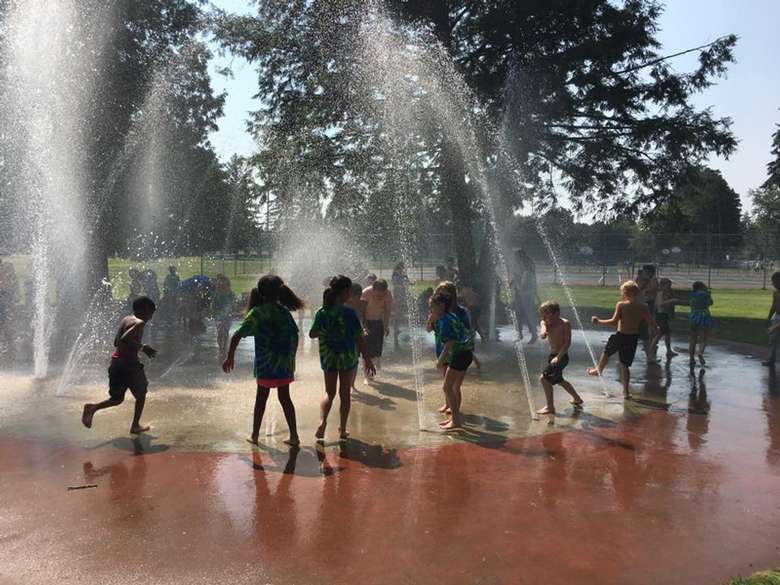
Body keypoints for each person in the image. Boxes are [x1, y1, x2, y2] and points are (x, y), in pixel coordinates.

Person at [222, 275, 303, 447]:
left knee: (261, 399)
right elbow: (295, 335)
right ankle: (294, 436)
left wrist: (230, 356)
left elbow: (237, 335)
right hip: (283, 364)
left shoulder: (257, 313)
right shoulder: (284, 312)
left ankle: (254, 435)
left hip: (266, 364)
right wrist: (292, 357)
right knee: (285, 398)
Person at [309, 275, 375, 441]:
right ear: (345, 292)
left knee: (329, 393)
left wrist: (326, 331)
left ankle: (323, 422)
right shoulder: (349, 313)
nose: (351, 294)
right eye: (350, 291)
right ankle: (342, 429)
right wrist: (368, 360)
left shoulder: (321, 312)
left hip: (328, 356)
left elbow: (312, 334)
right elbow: (359, 338)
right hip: (347, 357)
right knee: (344, 393)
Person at [81, 296, 157, 434]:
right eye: (151, 312)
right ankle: (135, 426)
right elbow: (124, 338)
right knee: (141, 394)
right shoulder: (139, 323)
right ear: (145, 309)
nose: (151, 316)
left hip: (117, 363)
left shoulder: (126, 319)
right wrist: (143, 347)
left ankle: (93, 408)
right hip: (129, 365)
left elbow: (116, 342)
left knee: (117, 399)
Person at [587, 281, 656, 399]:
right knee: (625, 365)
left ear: (626, 292)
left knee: (607, 352)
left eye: (622, 292)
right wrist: (656, 328)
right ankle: (626, 392)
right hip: (632, 338)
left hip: (621, 335)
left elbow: (614, 322)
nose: (621, 294)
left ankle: (599, 369)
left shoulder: (621, 305)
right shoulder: (643, 306)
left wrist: (599, 321)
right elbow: (651, 322)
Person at [426, 292, 473, 431]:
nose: (430, 310)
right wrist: (431, 319)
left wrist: (440, 360)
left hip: (459, 355)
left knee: (447, 387)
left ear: (441, 305)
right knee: (452, 388)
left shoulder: (445, 320)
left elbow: (450, 342)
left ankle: (456, 420)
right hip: (465, 353)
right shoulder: (450, 316)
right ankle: (454, 417)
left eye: (432, 307)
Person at [537, 300, 582, 414]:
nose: (545, 317)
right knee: (559, 380)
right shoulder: (545, 322)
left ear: (557, 313)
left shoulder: (565, 323)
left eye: (547, 314)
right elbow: (543, 332)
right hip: (552, 356)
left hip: (561, 356)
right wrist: (543, 332)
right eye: (543, 314)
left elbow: (567, 343)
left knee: (544, 378)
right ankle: (577, 399)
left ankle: (550, 407)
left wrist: (558, 357)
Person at [434, 281, 480, 371]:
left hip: (456, 352)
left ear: (452, 295)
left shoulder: (461, 312)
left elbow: (465, 333)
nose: (442, 297)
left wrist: (472, 355)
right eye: (439, 294)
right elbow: (431, 329)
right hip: (442, 348)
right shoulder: (437, 312)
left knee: (451, 382)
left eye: (445, 294)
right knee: (447, 379)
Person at [362, 278, 392, 376]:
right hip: (366, 322)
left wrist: (386, 326)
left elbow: (387, 312)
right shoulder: (366, 293)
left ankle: (373, 367)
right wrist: (364, 326)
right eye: (378, 295)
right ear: (373, 290)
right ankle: (367, 375)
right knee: (367, 350)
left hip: (378, 322)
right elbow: (361, 312)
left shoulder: (388, 294)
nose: (380, 297)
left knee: (377, 351)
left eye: (382, 295)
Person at [510, 249, 538, 344]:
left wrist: (516, 281)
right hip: (521, 296)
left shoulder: (527, 272)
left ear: (521, 259)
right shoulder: (523, 269)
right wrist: (514, 280)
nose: (516, 261)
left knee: (528, 315)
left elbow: (522, 287)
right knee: (518, 314)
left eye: (517, 258)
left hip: (526, 296)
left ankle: (534, 335)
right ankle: (520, 334)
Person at [650, 278, 680, 359]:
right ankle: (650, 350)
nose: (669, 287)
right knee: (659, 334)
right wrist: (671, 300)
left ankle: (669, 351)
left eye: (670, 285)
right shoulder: (660, 293)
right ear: (663, 285)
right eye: (668, 285)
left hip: (664, 315)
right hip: (661, 315)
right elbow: (660, 304)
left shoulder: (665, 293)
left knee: (667, 334)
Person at [688, 281, 713, 367]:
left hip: (694, 316)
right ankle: (700, 352)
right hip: (704, 316)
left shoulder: (692, 294)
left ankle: (691, 358)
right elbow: (710, 303)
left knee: (692, 339)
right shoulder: (706, 294)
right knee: (703, 338)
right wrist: (707, 292)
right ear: (702, 287)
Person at [212, 275, 236, 361]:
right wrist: (214, 312)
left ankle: (224, 348)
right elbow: (213, 305)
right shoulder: (216, 294)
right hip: (218, 316)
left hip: (227, 317)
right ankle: (221, 347)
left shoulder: (230, 294)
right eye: (219, 284)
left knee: (225, 332)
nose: (221, 285)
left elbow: (233, 304)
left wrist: (231, 309)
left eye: (223, 284)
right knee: (219, 333)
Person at [763, 272, 780, 368]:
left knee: (773, 334)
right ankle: (771, 359)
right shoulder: (776, 293)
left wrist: (775, 327)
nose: (773, 284)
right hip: (777, 317)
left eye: (775, 282)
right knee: (772, 340)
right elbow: (773, 306)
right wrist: (769, 317)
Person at [391, 262, 409, 348]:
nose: (403, 270)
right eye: (402, 268)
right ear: (398, 268)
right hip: (397, 296)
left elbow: (406, 281)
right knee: (397, 313)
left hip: (401, 295)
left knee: (400, 313)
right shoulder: (395, 275)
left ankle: (397, 328)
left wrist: (407, 279)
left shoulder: (401, 275)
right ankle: (396, 328)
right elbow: (396, 285)